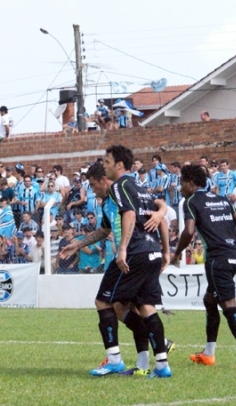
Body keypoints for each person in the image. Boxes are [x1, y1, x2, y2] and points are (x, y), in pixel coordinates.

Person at [59, 146, 171, 378]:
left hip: (133, 254)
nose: (91, 190)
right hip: (151, 252)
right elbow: (106, 229)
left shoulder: (120, 187)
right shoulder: (131, 191)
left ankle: (114, 360)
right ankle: (156, 364)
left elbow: (132, 214)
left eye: (92, 184)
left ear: (105, 177)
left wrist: (121, 250)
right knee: (140, 307)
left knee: (103, 302)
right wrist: (78, 244)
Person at [174, 164, 236, 369]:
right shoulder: (223, 199)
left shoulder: (191, 201)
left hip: (217, 260)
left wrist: (177, 253)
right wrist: (232, 243)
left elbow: (188, 232)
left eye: (182, 184)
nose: (180, 189)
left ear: (190, 183)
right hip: (232, 256)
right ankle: (208, 353)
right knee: (210, 300)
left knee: (229, 306)